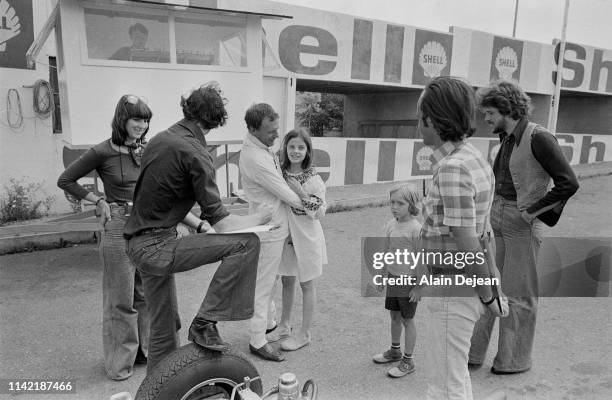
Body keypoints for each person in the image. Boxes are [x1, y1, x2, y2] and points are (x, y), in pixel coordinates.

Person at [123, 82, 272, 373]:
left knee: (164, 329)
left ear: (188, 108)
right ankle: (206, 321)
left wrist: (199, 224)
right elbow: (225, 223)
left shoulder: (160, 139)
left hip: (137, 244)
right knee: (247, 243)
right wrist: (260, 218)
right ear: (215, 121)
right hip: (158, 247)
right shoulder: (196, 152)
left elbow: (164, 197)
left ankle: (159, 388)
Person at [469, 80, 579, 375]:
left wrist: (530, 214)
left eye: (489, 112)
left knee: (518, 294)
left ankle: (512, 361)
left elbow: (569, 183)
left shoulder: (540, 137)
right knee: (489, 286)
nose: (486, 119)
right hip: (497, 219)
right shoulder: (506, 137)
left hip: (522, 225)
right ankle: (473, 354)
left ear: (505, 108)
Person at [409, 76, 508, 400]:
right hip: (460, 285)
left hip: (454, 288)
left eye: (421, 117)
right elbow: (483, 230)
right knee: (455, 377)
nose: (418, 124)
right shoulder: (474, 158)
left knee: (445, 386)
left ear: (435, 120)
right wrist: (490, 283)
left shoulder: (452, 168)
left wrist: (487, 295)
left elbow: (466, 241)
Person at [57, 94, 152, 381]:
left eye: (146, 119)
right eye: (137, 118)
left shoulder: (147, 149)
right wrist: (97, 200)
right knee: (120, 298)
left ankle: (143, 353)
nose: (142, 124)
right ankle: (118, 363)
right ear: (122, 119)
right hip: (118, 225)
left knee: (144, 294)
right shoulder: (102, 151)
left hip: (146, 224)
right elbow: (66, 180)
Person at [239, 104, 306, 362]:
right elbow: (287, 194)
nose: (276, 136)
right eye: (270, 131)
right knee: (264, 285)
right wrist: (310, 200)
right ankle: (257, 339)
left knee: (268, 281)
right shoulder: (256, 158)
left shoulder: (260, 149)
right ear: (253, 129)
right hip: (271, 229)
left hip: (271, 225)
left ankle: (268, 323)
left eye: (276, 129)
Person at [266, 128, 327, 352]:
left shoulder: (314, 179)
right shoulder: (279, 173)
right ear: (285, 148)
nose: (296, 151)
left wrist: (300, 192)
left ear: (308, 150)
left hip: (307, 239)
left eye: (301, 147)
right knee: (287, 280)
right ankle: (284, 325)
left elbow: (321, 211)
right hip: (286, 237)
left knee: (306, 283)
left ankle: (304, 333)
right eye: (292, 146)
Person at [371, 184, 421, 378]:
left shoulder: (416, 229)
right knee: (394, 317)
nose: (394, 207)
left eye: (400, 203)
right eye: (392, 202)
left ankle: (408, 361)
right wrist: (381, 275)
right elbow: (386, 252)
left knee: (408, 320)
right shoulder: (391, 224)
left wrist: (419, 287)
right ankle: (395, 351)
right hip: (393, 279)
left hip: (408, 283)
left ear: (412, 204)